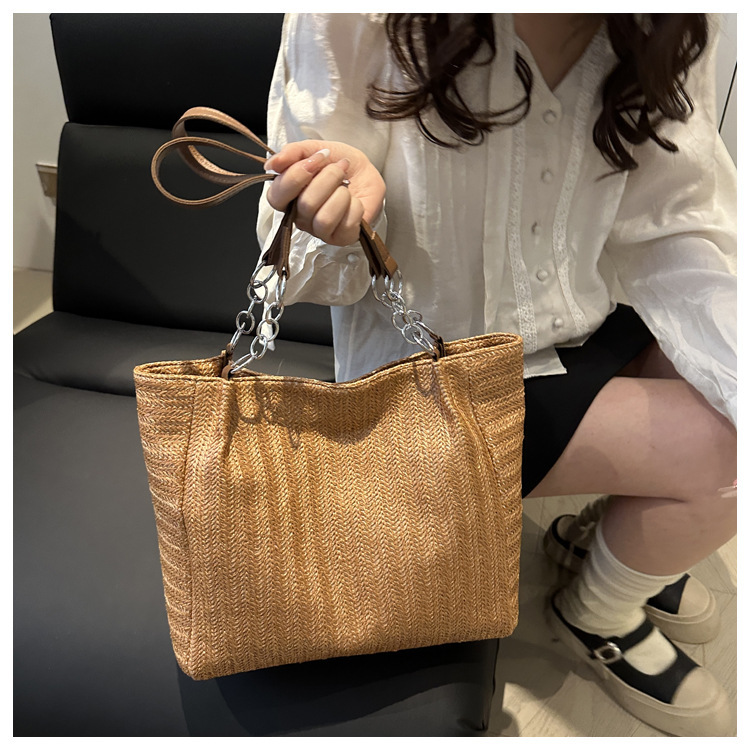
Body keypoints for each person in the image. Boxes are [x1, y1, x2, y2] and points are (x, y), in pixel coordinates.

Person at [256, 13, 737, 737]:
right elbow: (298, 273)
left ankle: (599, 545)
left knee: (713, 367)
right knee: (730, 459)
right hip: (433, 377)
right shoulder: (355, 19)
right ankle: (596, 612)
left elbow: (677, 225)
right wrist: (336, 218)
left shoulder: (663, 21)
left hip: (582, 317)